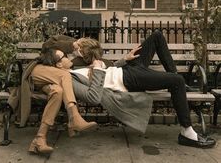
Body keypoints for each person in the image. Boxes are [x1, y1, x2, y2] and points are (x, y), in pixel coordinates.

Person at [70, 31, 216, 148]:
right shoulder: (72, 76)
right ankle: (187, 132)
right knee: (177, 81)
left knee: (157, 36)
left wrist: (125, 59)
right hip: (128, 79)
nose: (73, 52)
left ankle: (177, 83)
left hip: (129, 68)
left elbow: (109, 68)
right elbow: (93, 95)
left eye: (77, 49)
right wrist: (95, 67)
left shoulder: (79, 63)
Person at [28, 48, 97, 154]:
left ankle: (39, 139)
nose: (68, 57)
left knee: (57, 91)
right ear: (59, 64)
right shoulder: (59, 71)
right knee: (65, 75)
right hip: (38, 72)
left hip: (47, 80)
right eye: (64, 56)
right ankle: (74, 118)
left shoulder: (64, 67)